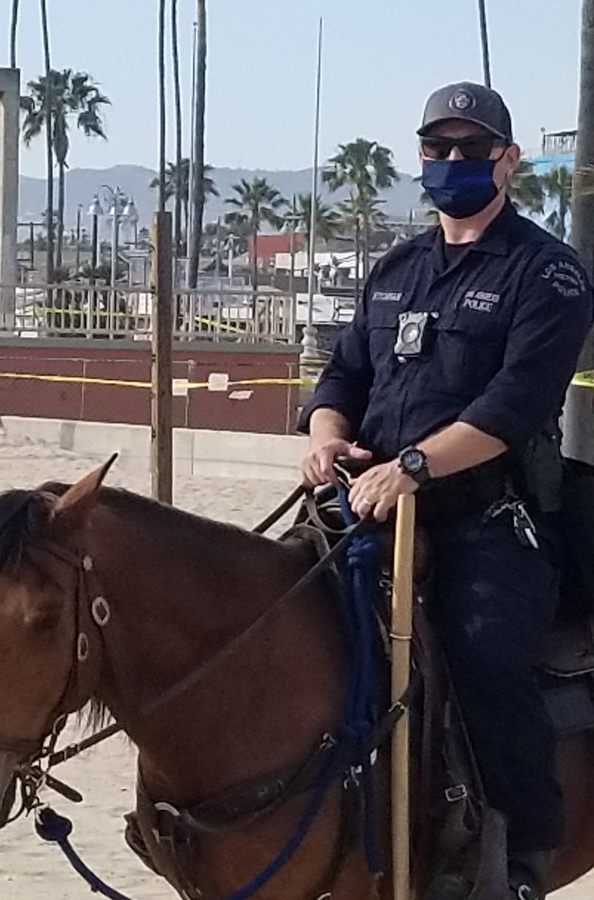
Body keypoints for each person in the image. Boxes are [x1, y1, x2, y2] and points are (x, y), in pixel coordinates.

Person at [300, 81, 594, 900]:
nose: (454, 161)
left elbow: (515, 404)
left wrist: (416, 467)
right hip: (366, 509)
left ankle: (523, 856)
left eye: (472, 148)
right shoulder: (396, 269)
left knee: (485, 656)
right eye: (439, 148)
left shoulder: (549, 273)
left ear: (509, 160)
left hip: (488, 521)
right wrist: (326, 434)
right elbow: (344, 372)